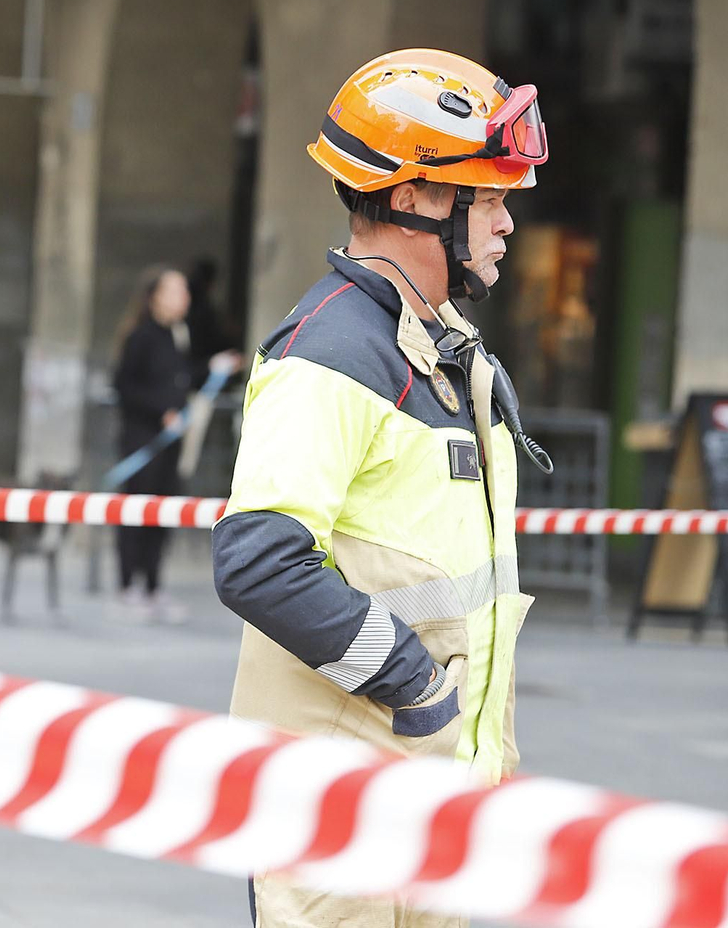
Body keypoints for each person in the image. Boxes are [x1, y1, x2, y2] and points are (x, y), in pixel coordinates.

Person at [213, 49, 549, 927]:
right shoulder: (332, 350)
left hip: (431, 802)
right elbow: (259, 560)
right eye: (490, 197)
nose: (507, 223)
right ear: (415, 200)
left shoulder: (433, 347)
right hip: (338, 811)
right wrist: (415, 685)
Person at [110, 267, 193, 623]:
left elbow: (179, 380)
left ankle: (154, 587)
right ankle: (129, 586)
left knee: (163, 514)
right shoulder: (141, 336)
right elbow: (124, 387)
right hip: (142, 441)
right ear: (155, 295)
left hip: (170, 444)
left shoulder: (178, 335)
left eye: (184, 290)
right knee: (136, 513)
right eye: (175, 290)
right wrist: (162, 412)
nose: (183, 297)